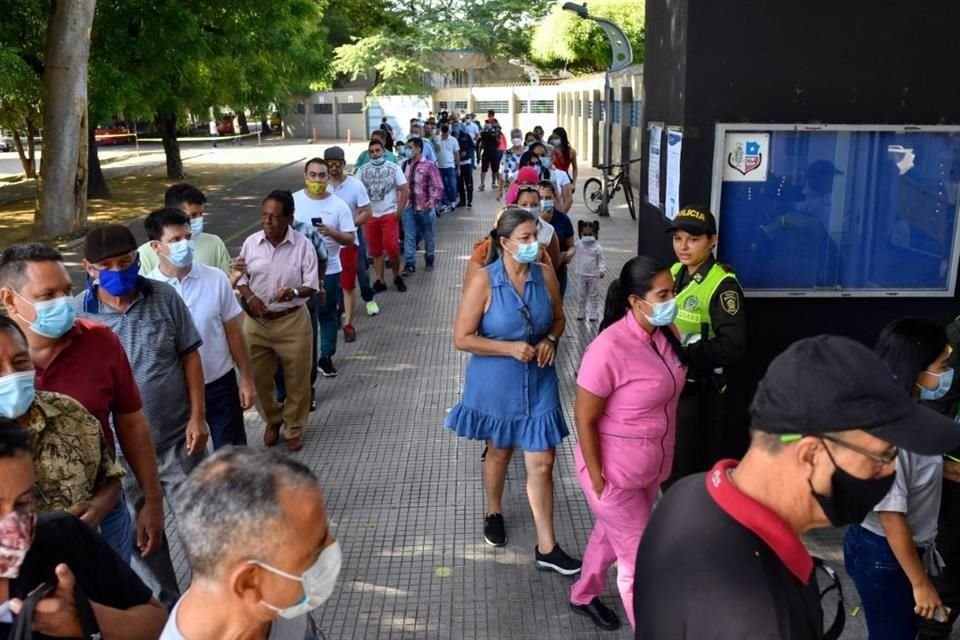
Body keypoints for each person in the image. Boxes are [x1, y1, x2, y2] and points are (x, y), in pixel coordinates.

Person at [633, 335, 960, 639]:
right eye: (882, 456)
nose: (888, 472)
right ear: (811, 454)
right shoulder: (763, 616)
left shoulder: (689, 493)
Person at [0, 243, 163, 563]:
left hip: (103, 517)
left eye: (66, 291)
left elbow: (131, 424)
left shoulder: (100, 342)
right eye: (48, 296)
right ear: (9, 300)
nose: (63, 303)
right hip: (17, 542)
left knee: (115, 599)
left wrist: (151, 500)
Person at [74, 224, 208, 610]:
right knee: (144, 537)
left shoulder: (164, 297)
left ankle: (210, 603)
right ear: (89, 267)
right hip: (119, 458)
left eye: (126, 262)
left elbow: (190, 355)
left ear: (139, 258)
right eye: (107, 265)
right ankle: (167, 607)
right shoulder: (77, 317)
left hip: (177, 441)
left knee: (202, 526)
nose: (119, 270)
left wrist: (197, 417)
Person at [445, 207, 581, 575]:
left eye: (535, 236)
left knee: (543, 460)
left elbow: (558, 318)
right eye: (524, 239)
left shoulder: (545, 274)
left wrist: (551, 338)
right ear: (504, 243)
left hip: (539, 378)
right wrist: (508, 348)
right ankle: (494, 508)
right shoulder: (484, 280)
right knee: (500, 451)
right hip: (496, 382)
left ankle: (547, 546)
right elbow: (462, 338)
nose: (533, 245)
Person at [570, 256, 686, 630]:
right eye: (664, 294)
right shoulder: (607, 349)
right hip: (613, 474)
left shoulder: (669, 334)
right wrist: (599, 478)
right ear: (636, 301)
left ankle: (583, 593)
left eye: (674, 290)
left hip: (652, 465)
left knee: (610, 533)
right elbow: (584, 418)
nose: (673, 300)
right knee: (639, 561)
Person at [0, 425, 167, 639]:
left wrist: (88, 618)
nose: (11, 525)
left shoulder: (62, 537)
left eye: (23, 503)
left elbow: (157, 622)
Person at [160, 447, 340, 640]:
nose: (332, 547)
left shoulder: (274, 604)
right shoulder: (275, 595)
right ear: (249, 583)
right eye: (314, 553)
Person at [845, 318, 952, 638]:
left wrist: (950, 470)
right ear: (916, 369)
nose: (946, 373)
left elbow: (910, 468)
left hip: (881, 547)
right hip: (886, 553)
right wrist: (921, 585)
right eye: (942, 364)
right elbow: (892, 517)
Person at [143, 208, 255, 449]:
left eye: (187, 237)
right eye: (174, 240)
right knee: (188, 462)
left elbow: (233, 332)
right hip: (175, 395)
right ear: (156, 246)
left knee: (231, 456)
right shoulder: (150, 292)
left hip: (220, 385)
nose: (184, 244)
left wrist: (246, 378)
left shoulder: (215, 279)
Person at [0, 315, 123, 529]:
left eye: (20, 362)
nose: (11, 375)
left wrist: (97, 508)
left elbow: (110, 476)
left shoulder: (68, 411)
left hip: (87, 551)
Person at [665, 205, 747, 485]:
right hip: (676, 384)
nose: (683, 246)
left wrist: (682, 354)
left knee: (691, 467)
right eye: (678, 238)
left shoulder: (722, 284)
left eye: (693, 239)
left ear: (713, 241)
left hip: (703, 390)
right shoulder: (675, 272)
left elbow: (733, 346)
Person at [236, 191, 319, 453]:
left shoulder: (303, 245)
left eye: (275, 216)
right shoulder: (251, 243)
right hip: (256, 323)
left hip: (291, 320)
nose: (268, 221)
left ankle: (294, 427)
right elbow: (241, 277)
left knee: (297, 379)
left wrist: (293, 292)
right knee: (256, 379)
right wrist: (249, 297)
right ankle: (273, 418)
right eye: (264, 215)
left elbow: (311, 285)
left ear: (289, 218)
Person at [292, 159, 357, 378]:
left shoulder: (338, 205)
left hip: (329, 269)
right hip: (296, 272)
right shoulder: (293, 202)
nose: (317, 180)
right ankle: (300, 359)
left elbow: (350, 238)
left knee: (327, 313)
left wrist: (332, 233)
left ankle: (325, 356)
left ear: (328, 178)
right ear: (305, 176)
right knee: (299, 317)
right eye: (313, 175)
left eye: (322, 175)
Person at [324, 146, 379, 334]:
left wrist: (349, 226)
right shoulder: (323, 186)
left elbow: (367, 212)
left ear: (343, 164)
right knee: (336, 278)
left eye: (337, 164)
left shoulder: (355, 185)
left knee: (360, 271)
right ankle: (341, 311)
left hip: (351, 239)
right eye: (329, 164)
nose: (333, 168)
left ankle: (369, 298)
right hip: (329, 244)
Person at [138, 184, 231, 276]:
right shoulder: (145, 253)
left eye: (201, 214)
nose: (199, 219)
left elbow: (226, 283)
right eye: (193, 215)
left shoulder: (214, 242)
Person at [355, 139, 409, 295]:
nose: (374, 154)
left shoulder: (393, 168)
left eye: (377, 150)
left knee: (392, 248)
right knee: (375, 250)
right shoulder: (363, 170)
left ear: (383, 151)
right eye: (371, 151)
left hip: (388, 214)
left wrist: (399, 211)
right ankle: (380, 279)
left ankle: (397, 275)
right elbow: (356, 190)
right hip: (371, 216)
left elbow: (404, 189)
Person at [401, 138, 444, 275]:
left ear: (419, 148)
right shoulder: (403, 165)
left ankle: (429, 259)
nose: (407, 150)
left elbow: (439, 187)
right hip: (408, 208)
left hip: (425, 208)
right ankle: (410, 263)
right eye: (407, 147)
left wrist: (431, 202)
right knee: (409, 236)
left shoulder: (429, 165)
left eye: (410, 147)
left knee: (428, 235)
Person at [539, 180, 575, 295]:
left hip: (558, 272)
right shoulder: (531, 220)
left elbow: (571, 246)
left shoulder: (563, 220)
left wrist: (569, 254)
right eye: (541, 198)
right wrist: (541, 223)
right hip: (538, 273)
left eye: (548, 198)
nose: (544, 201)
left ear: (554, 197)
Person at [516, 186, 560, 270]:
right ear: (517, 205)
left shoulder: (548, 230)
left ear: (540, 206)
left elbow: (555, 264)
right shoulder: (509, 228)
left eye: (534, 205)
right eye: (524, 205)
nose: (529, 209)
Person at [574, 221, 606, 322]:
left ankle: (594, 312)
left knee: (594, 294)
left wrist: (602, 270)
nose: (587, 237)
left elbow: (601, 259)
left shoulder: (597, 247)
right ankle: (581, 311)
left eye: (590, 234)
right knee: (581, 294)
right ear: (580, 234)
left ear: (595, 234)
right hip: (581, 274)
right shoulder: (578, 245)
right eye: (585, 234)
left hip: (593, 275)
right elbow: (570, 249)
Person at [434, 124, 460, 213]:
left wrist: (458, 167)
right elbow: (435, 150)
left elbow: (456, 153)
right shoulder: (437, 139)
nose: (443, 136)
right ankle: (444, 203)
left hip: (450, 166)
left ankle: (452, 201)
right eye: (442, 134)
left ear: (448, 132)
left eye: (445, 134)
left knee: (452, 185)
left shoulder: (453, 140)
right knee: (442, 186)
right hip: (440, 167)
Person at [497, 129, 527, 202]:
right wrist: (500, 189)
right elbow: (501, 171)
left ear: (522, 138)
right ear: (511, 139)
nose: (516, 139)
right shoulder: (507, 153)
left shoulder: (527, 151)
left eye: (518, 136)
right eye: (514, 137)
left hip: (526, 185)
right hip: (510, 186)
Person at [455, 119, 476, 207]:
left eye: (457, 126)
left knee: (469, 183)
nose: (455, 129)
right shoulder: (452, 137)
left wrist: (466, 152)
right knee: (460, 184)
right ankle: (462, 201)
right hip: (457, 164)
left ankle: (469, 200)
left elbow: (472, 147)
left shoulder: (466, 136)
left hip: (466, 163)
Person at [479, 122, 502, 192]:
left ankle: (494, 183)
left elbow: (499, 143)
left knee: (495, 170)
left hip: (494, 153)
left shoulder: (497, 134)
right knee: (484, 170)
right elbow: (482, 144)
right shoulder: (484, 134)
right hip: (486, 153)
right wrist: (479, 153)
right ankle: (482, 184)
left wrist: (495, 136)